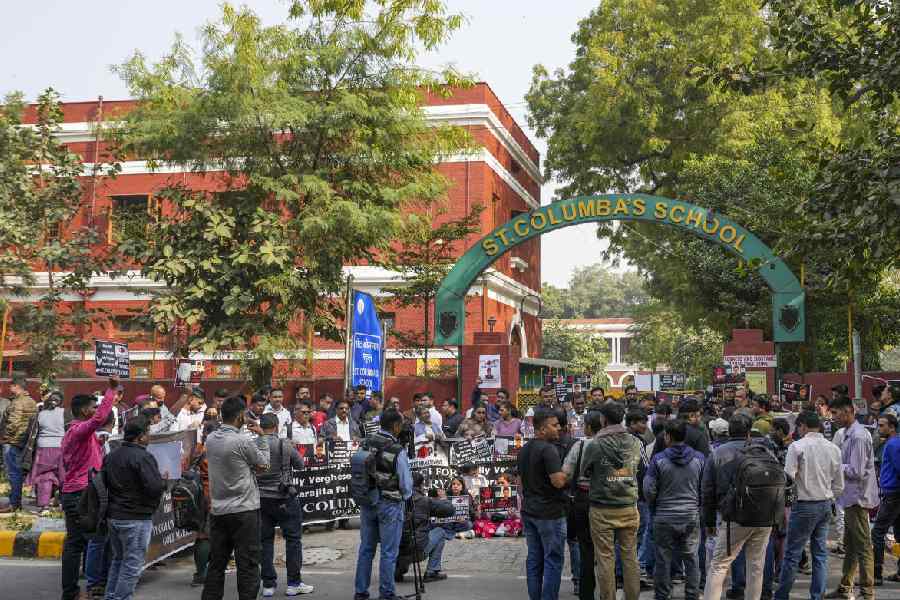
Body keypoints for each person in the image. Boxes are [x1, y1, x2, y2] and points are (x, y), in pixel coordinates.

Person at [202, 395, 271, 600]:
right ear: (241, 415)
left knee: (217, 564)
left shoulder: (211, 438)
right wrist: (262, 437)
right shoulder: (242, 441)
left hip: (219, 511)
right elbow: (263, 465)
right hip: (244, 511)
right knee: (248, 564)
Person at [701, 415, 774, 600]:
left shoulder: (718, 453)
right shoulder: (765, 451)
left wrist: (708, 521)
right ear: (749, 432)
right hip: (764, 516)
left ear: (728, 433)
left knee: (719, 565)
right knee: (756, 565)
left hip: (733, 517)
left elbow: (707, 490)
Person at [774, 411, 843, 600]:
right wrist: (828, 496)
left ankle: (781, 596)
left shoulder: (797, 447)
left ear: (803, 426)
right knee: (820, 554)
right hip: (825, 504)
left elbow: (788, 477)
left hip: (804, 505)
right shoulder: (833, 448)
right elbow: (839, 485)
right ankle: (816, 596)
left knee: (792, 555)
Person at [60, 379, 117, 600]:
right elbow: (100, 418)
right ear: (84, 411)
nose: (96, 411)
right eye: (93, 407)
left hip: (78, 491)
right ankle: (76, 590)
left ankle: (76, 590)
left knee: (80, 542)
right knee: (83, 542)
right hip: (80, 494)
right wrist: (111, 390)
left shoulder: (80, 434)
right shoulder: (78, 431)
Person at [583, 401, 643, 600]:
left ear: (603, 420)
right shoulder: (635, 442)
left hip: (602, 508)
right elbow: (638, 469)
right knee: (630, 557)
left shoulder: (595, 444)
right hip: (628, 506)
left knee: (605, 558)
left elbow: (585, 471)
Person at [102, 415, 166, 600]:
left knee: (119, 560)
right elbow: (154, 488)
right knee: (131, 565)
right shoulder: (143, 457)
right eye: (148, 433)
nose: (149, 436)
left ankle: (111, 596)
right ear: (140, 437)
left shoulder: (112, 456)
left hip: (115, 517)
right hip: (135, 518)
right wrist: (163, 481)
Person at [354, 408, 414, 600]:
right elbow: (406, 485)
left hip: (367, 501)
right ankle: (386, 593)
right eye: (401, 424)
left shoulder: (366, 443)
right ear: (396, 426)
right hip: (390, 503)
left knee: (366, 549)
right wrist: (407, 497)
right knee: (389, 552)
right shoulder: (397, 450)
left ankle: (361, 592)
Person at [644, 419, 705, 600]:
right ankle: (692, 594)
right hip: (690, 515)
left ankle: (663, 594)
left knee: (663, 558)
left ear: (667, 436)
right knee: (692, 558)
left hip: (664, 516)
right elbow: (705, 487)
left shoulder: (658, 459)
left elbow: (648, 489)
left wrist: (654, 504)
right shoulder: (699, 458)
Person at [826, 396, 879, 600]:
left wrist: (833, 466)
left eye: (836, 413)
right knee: (851, 546)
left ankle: (868, 593)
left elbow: (856, 471)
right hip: (850, 497)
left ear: (848, 411)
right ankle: (845, 588)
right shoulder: (849, 434)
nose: (833, 417)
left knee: (863, 546)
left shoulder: (858, 436)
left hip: (858, 498)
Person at [256, 414, 313, 596]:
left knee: (265, 542)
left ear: (261, 426)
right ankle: (294, 583)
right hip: (284, 497)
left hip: (261, 499)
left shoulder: (253, 445)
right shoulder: (284, 444)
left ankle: (268, 585)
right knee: (293, 540)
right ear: (276, 425)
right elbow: (300, 465)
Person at [518, 408, 568, 600]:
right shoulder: (549, 449)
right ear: (541, 428)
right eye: (554, 425)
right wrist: (568, 474)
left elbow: (520, 482)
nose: (559, 428)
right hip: (549, 513)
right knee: (553, 559)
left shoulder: (524, 449)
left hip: (530, 510)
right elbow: (558, 481)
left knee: (534, 559)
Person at [563, 410, 604, 600]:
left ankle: (586, 592)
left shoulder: (579, 446)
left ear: (587, 427)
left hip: (583, 499)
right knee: (606, 549)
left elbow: (566, 473)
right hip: (606, 500)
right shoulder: (609, 445)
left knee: (585, 548)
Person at [394, 471, 454, 584]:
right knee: (440, 531)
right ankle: (432, 571)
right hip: (417, 550)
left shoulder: (395, 498)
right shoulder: (424, 501)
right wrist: (444, 498)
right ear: (421, 485)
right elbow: (449, 510)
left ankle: (397, 569)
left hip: (396, 550)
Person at [0, 371, 37, 512]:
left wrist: (4, 438)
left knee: (13, 473)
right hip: (24, 442)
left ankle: (14, 503)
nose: (9, 389)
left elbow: (13, 423)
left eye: (11, 386)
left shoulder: (17, 403)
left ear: (16, 386)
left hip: (12, 442)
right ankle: (15, 501)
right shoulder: (32, 402)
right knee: (18, 473)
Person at [872, 413, 900, 586]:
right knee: (899, 533)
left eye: (882, 425)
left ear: (892, 427)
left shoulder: (892, 444)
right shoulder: (891, 443)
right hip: (893, 493)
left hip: (893, 494)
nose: (879, 428)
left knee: (877, 533)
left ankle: (876, 574)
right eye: (878, 425)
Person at [29, 390, 65, 509]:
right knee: (62, 475)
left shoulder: (41, 414)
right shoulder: (65, 413)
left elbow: (34, 432)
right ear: (61, 402)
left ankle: (44, 505)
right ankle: (62, 502)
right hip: (60, 447)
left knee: (44, 476)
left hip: (43, 449)